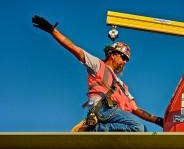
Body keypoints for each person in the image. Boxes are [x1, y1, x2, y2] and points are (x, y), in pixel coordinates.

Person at [32, 15, 163, 132]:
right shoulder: (98, 65)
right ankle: (93, 129)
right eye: (123, 57)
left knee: (144, 131)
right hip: (102, 110)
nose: (124, 62)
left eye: (127, 60)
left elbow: (136, 110)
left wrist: (158, 121)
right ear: (112, 54)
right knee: (138, 128)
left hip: (115, 116)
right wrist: (52, 31)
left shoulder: (122, 86)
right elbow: (74, 49)